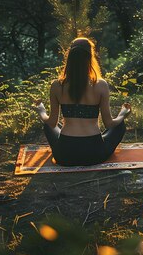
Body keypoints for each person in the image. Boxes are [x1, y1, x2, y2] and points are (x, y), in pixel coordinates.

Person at [34, 37, 131, 166]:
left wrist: (41, 111)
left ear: (69, 58)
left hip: (64, 155)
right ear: (90, 58)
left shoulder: (57, 85)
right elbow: (109, 124)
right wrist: (123, 114)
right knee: (119, 125)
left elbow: (52, 123)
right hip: (95, 154)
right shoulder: (101, 85)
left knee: (47, 125)